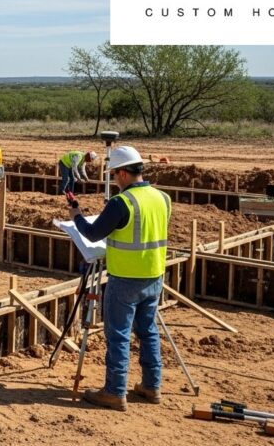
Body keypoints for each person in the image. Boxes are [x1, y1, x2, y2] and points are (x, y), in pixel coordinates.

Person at [69, 145, 171, 412]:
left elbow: (92, 234)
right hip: (154, 275)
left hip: (125, 278)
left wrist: (76, 216)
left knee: (119, 335)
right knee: (148, 332)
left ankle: (114, 392)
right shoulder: (162, 198)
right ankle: (152, 386)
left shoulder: (121, 202)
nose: (114, 180)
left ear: (124, 174)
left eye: (114, 175)